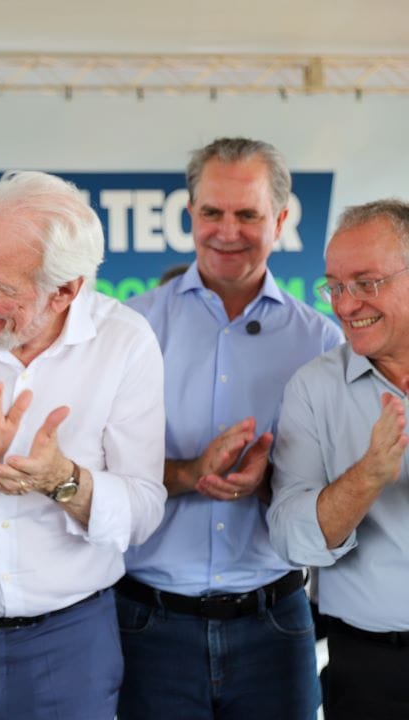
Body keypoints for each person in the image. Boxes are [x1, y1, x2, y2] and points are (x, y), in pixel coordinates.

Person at [116, 137, 342, 720]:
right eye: (212, 212)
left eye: (248, 214)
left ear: (281, 221)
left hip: (275, 625)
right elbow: (100, 475)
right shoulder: (131, 328)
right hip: (147, 625)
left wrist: (269, 482)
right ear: (190, 213)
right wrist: (191, 473)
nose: (227, 231)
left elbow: (337, 493)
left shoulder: (322, 342)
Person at [0, 171, 166, 720]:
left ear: (65, 292)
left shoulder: (125, 343)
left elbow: (143, 511)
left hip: (72, 640)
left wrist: (63, 480)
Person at [268, 199, 409, 720]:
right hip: (371, 672)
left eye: (366, 283)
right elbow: (290, 538)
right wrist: (368, 476)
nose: (346, 305)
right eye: (335, 286)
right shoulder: (314, 388)